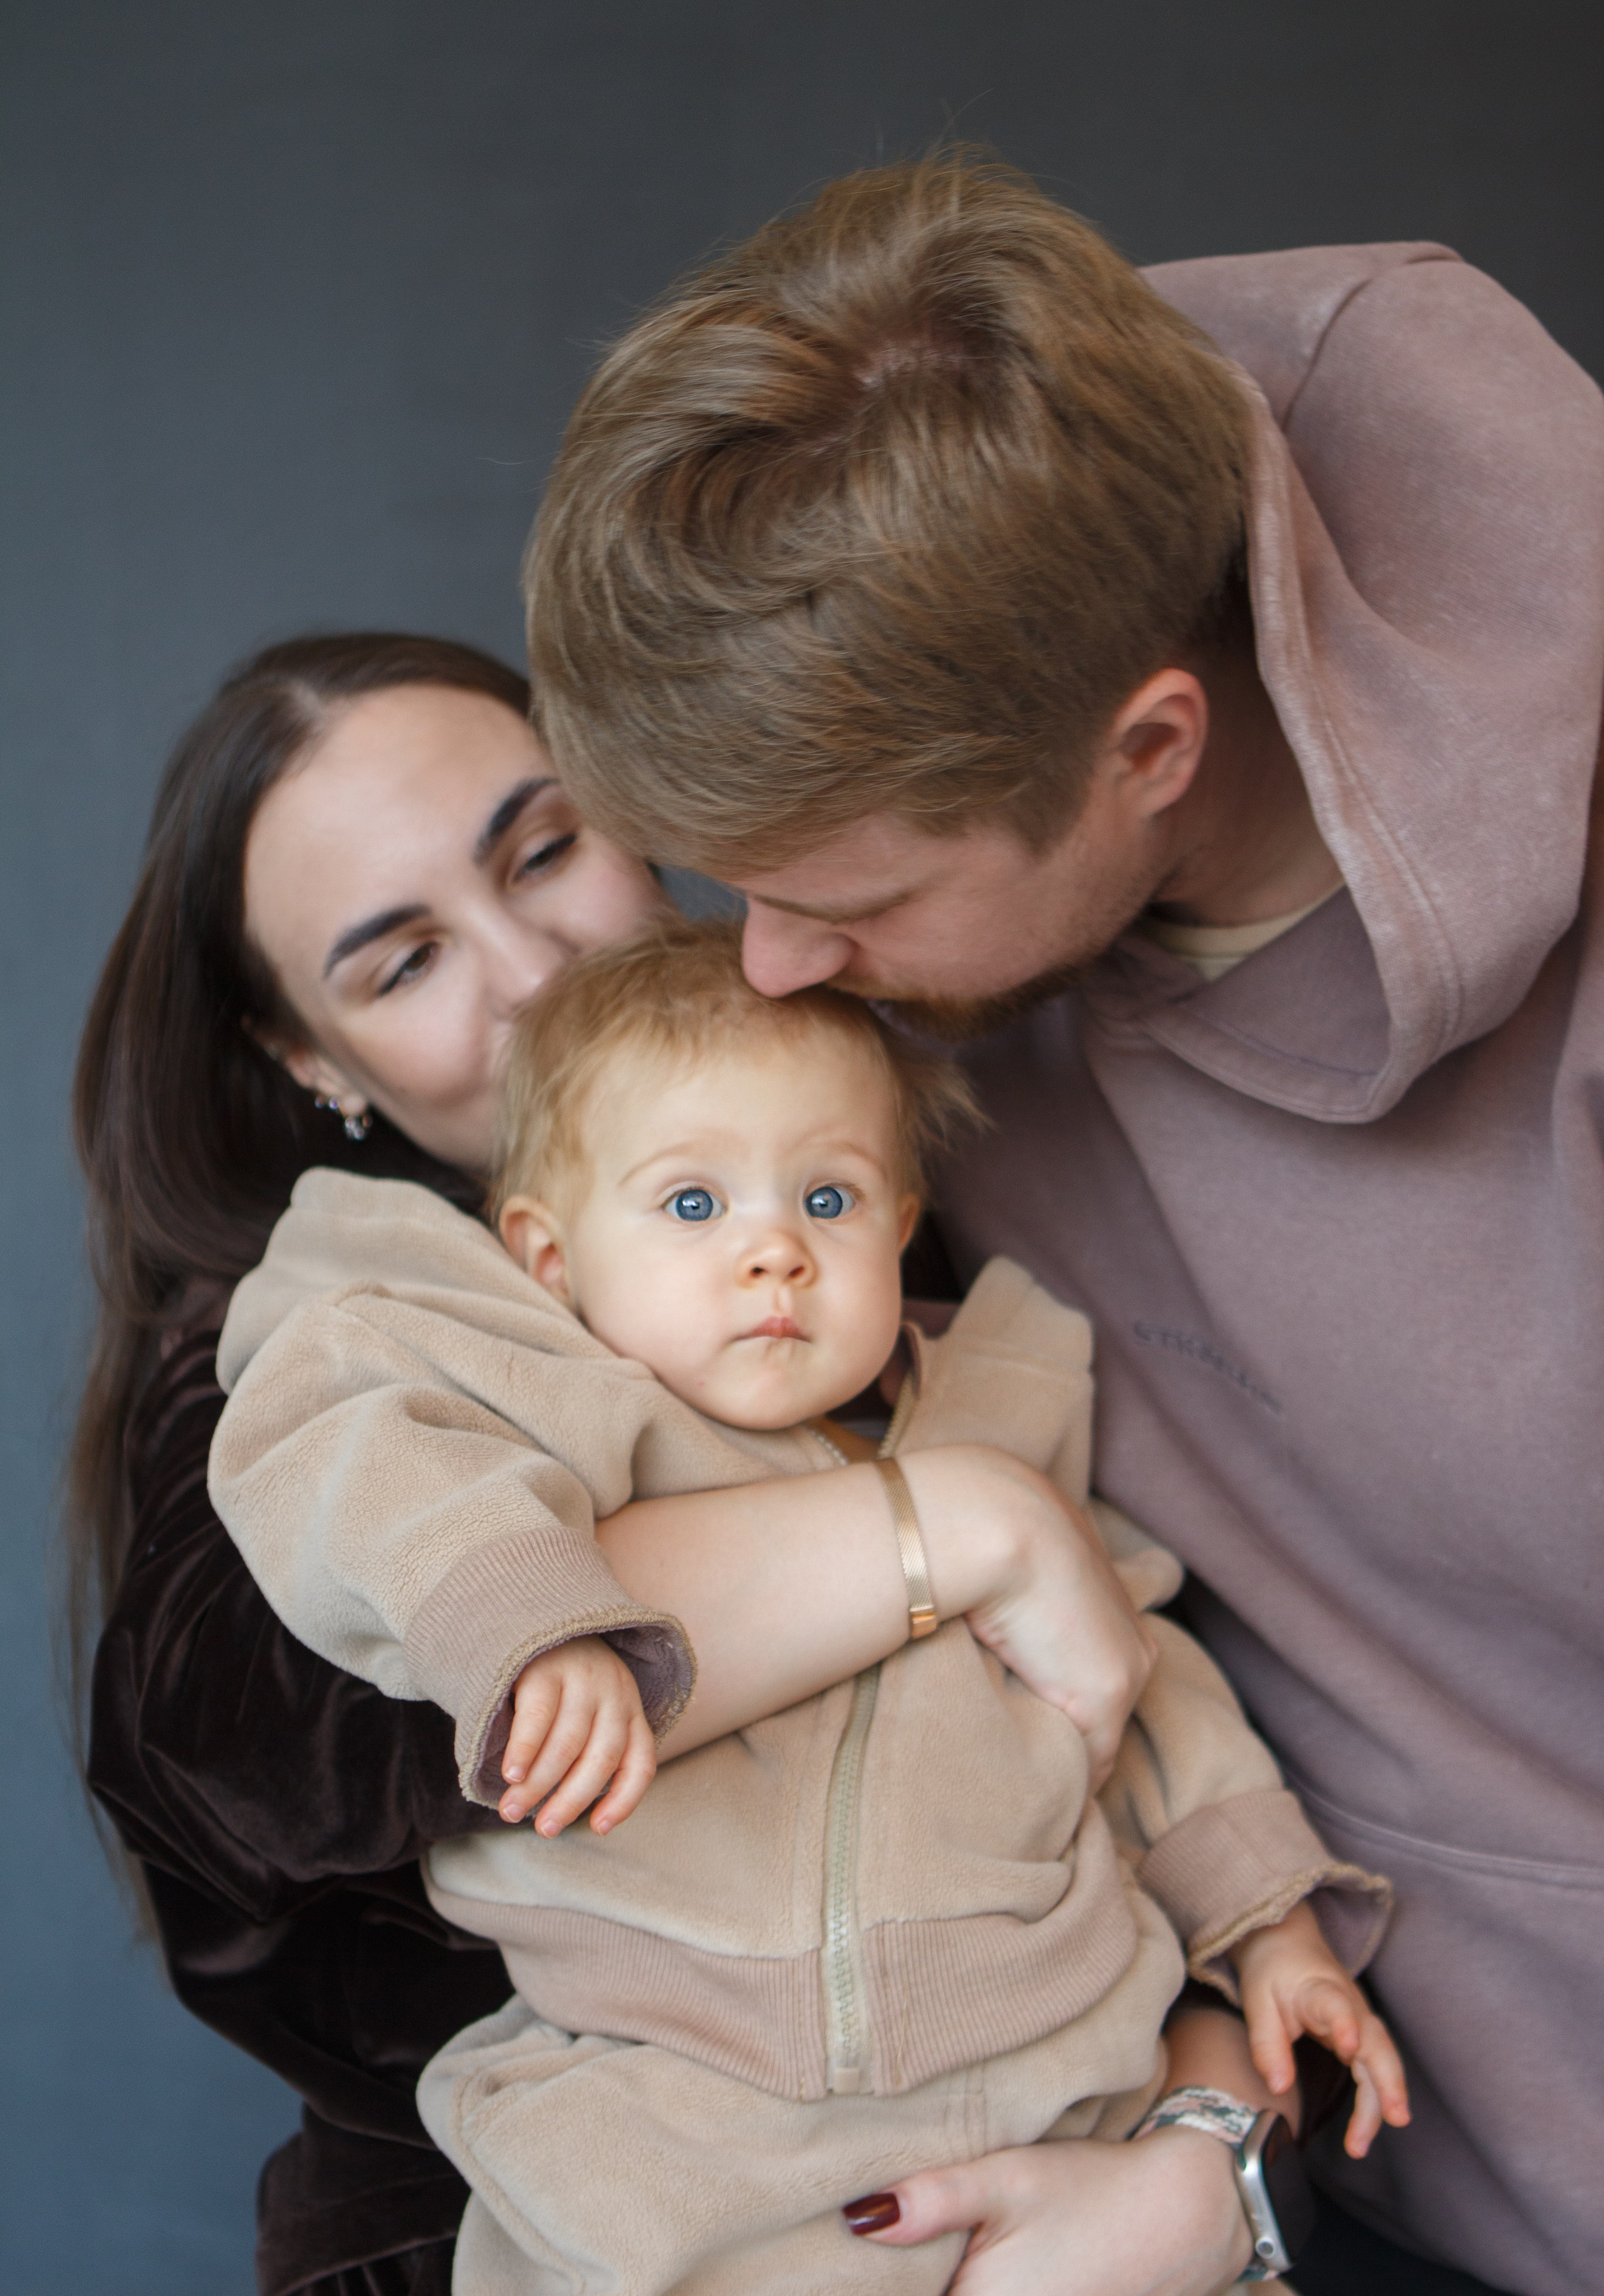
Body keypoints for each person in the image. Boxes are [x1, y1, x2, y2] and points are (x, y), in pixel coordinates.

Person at [517, 156, 1604, 2296]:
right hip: (1279, 2146)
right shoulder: (947, 714)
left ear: (1151, 753)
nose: (767, 984)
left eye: (849, 903)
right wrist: (1225, 2149)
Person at [70, 634, 1169, 2296]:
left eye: (545, 850)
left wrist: (1213, 2151)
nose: (529, 967)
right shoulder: (316, 1332)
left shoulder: (844, 1219)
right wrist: (964, 1527)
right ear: (309, 1059)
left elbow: (1149, 1724)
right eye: (401, 961)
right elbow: (271, 1726)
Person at [206, 917, 1401, 2295]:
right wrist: (531, 1617)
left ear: (900, 1222)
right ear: (548, 1261)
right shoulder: (540, 1405)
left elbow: (1146, 1685)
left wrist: (1270, 1925)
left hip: (1060, 2072)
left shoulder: (997, 1422)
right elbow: (358, 1450)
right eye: (694, 1206)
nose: (775, 1255)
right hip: (685, 2130)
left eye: (826, 1203)